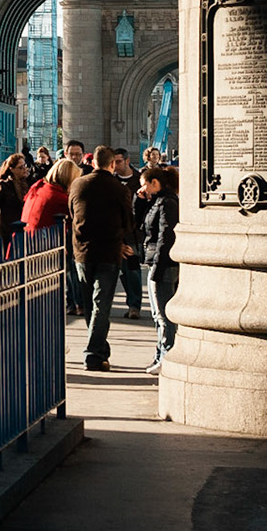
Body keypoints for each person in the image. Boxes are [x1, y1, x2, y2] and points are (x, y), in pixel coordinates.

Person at [70, 151, 136, 371]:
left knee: (90, 303)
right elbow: (128, 222)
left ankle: (98, 349)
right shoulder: (119, 189)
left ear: (93, 162)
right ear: (111, 165)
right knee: (102, 304)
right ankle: (94, 353)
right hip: (108, 252)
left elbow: (72, 214)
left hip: (82, 252)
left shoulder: (78, 185)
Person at [21, 158, 82, 311]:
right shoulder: (60, 197)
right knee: (70, 269)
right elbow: (77, 217)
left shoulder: (39, 187)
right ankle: (77, 303)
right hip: (45, 240)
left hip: (27, 237)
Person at [141, 166, 181, 374]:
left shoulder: (167, 203)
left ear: (154, 182)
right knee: (159, 313)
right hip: (157, 261)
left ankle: (166, 353)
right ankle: (161, 353)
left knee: (163, 314)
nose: (143, 189)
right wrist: (141, 201)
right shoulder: (158, 201)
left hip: (162, 264)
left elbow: (165, 236)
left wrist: (157, 265)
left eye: (145, 184)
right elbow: (142, 225)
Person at [107, 148, 144, 317]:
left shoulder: (139, 180)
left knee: (133, 270)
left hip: (133, 233)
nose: (115, 165)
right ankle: (130, 302)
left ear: (127, 161)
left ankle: (134, 305)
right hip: (115, 232)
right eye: (113, 162)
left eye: (119, 161)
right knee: (120, 270)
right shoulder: (110, 181)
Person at [0, 152, 31, 250]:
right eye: (20, 167)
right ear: (12, 169)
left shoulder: (29, 182)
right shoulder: (3, 185)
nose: (24, 169)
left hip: (26, 227)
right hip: (8, 228)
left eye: (24, 166)